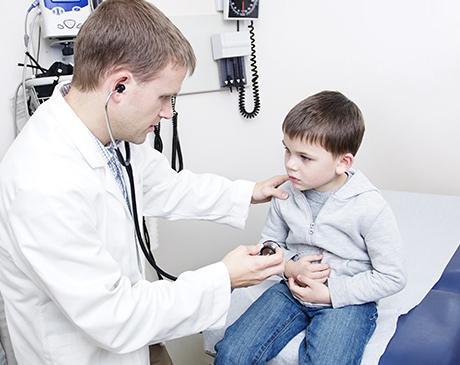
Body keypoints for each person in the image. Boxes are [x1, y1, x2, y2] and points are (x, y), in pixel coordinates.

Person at [0, 1, 288, 364]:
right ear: (119, 85)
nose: (168, 112)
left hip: (132, 341)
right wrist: (224, 278)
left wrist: (248, 192)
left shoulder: (107, 135)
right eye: (164, 97)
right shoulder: (42, 180)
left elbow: (163, 186)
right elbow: (115, 316)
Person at [214, 91, 407, 364]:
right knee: (232, 353)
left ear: (343, 162)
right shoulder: (286, 194)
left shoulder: (370, 208)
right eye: (287, 150)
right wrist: (291, 268)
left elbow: (392, 276)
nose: (291, 164)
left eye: (305, 157)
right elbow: (270, 245)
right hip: (291, 289)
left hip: (346, 301)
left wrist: (331, 293)